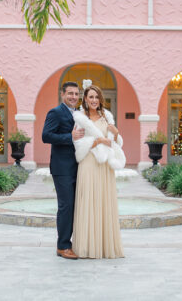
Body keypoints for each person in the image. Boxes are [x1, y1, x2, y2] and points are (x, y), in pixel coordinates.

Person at [72, 82, 125, 259]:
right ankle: (87, 246)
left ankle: (104, 246)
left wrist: (116, 134)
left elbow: (116, 144)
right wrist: (95, 142)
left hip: (104, 166)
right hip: (88, 162)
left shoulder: (107, 118)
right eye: (90, 97)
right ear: (85, 99)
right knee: (87, 200)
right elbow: (77, 142)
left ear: (100, 99)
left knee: (103, 201)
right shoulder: (79, 118)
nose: (94, 100)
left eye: (96, 97)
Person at [42, 81, 84, 260]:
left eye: (76, 94)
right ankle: (63, 246)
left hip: (78, 167)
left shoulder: (79, 114)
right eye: (70, 94)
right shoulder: (55, 112)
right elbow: (46, 136)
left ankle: (73, 242)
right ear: (62, 94)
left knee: (75, 206)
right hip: (62, 168)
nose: (74, 97)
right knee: (66, 206)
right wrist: (70, 137)